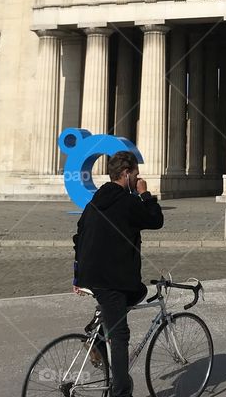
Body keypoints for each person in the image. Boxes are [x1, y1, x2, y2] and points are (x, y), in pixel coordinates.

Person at [73, 151, 164, 397]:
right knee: (121, 334)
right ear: (126, 174)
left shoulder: (94, 202)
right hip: (112, 278)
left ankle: (99, 329)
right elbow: (156, 220)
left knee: (138, 291)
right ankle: (122, 392)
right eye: (135, 174)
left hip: (89, 275)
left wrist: (76, 275)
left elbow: (78, 236)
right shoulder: (129, 203)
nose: (137, 178)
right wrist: (145, 194)